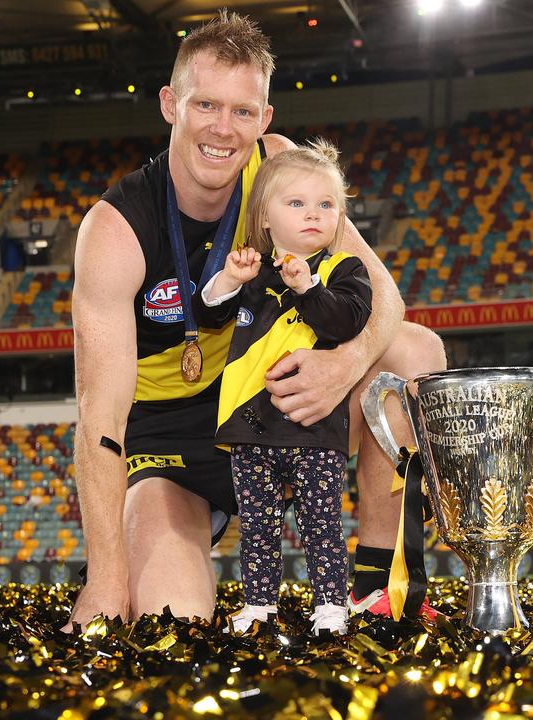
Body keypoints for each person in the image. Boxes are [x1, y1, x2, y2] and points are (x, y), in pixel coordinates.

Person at [65, 11, 445, 629]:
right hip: (173, 447)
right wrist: (107, 583)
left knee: (414, 353)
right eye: (206, 104)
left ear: (266, 119)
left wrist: (340, 365)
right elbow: (99, 419)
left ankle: (379, 587)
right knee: (172, 619)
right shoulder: (116, 229)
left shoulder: (279, 168)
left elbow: (387, 299)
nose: (223, 128)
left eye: (243, 111)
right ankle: (140, 559)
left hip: (276, 406)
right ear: (170, 104)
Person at [195, 140, 370, 635]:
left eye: (326, 204)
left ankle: (331, 606)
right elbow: (207, 315)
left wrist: (306, 288)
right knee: (258, 526)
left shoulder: (344, 271)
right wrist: (227, 280)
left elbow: (344, 324)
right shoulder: (249, 270)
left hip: (314, 428)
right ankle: (259, 605)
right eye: (296, 203)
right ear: (265, 217)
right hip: (251, 426)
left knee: (320, 525)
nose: (313, 214)